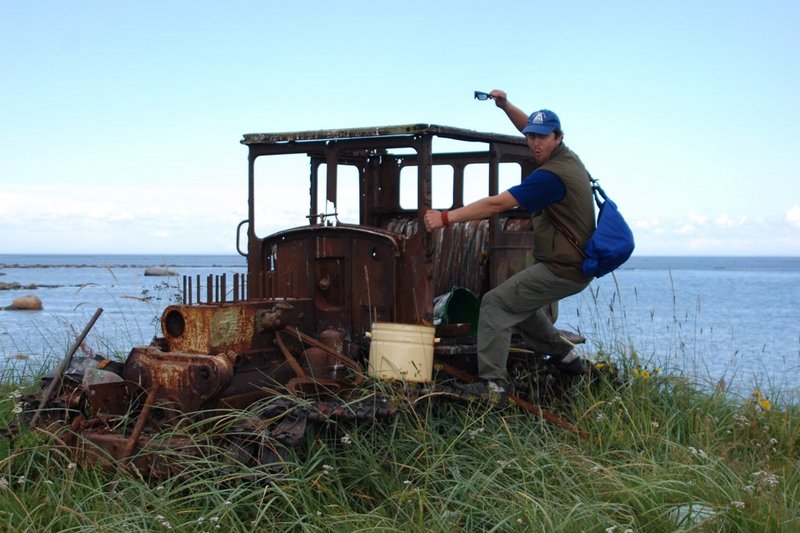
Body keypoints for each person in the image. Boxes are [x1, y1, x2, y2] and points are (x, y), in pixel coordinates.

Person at [424, 89, 595, 394]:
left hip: (564, 267)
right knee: (519, 302)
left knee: (495, 303)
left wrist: (445, 218)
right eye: (531, 137)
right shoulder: (568, 157)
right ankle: (565, 355)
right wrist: (504, 106)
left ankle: (492, 385)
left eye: (542, 137)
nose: (534, 143)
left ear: (558, 137)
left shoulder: (550, 177)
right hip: (572, 263)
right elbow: (527, 127)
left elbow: (496, 204)